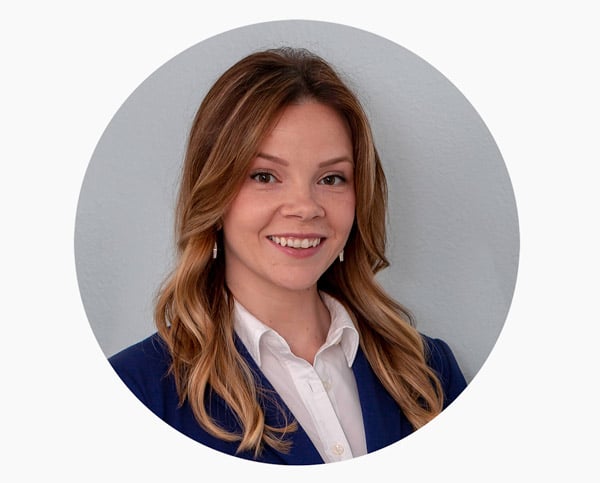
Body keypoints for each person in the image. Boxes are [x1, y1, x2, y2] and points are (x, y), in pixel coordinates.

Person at [109, 47, 467, 465]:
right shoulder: (136, 392)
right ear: (213, 195)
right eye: (265, 176)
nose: (305, 207)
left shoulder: (428, 372)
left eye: (331, 178)